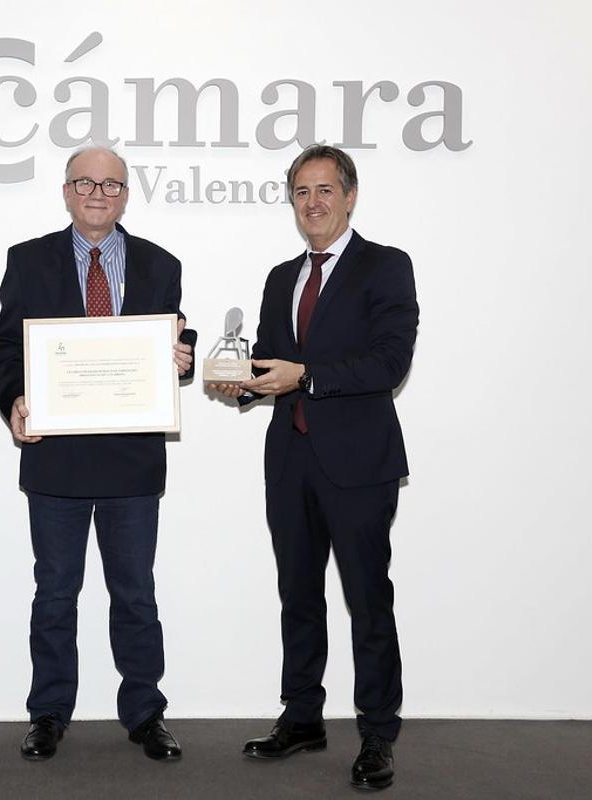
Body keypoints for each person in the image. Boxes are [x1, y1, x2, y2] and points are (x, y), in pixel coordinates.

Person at [210, 145, 418, 791]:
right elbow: (272, 362)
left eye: (325, 190)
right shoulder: (282, 278)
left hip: (359, 464)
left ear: (350, 196)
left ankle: (377, 734)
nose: (313, 203)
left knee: (367, 600)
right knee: (298, 596)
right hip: (291, 462)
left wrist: (307, 376)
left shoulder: (386, 266)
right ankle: (302, 717)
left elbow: (390, 363)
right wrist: (239, 384)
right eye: (301, 192)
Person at [0, 146, 196, 762]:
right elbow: (4, 348)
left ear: (126, 195)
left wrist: (182, 358)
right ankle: (48, 714)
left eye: (110, 185)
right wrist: (15, 398)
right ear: (66, 191)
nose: (97, 194)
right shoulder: (27, 260)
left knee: (135, 595)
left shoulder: (161, 263)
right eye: (85, 183)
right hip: (55, 461)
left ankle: (146, 713)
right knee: (55, 595)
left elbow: (173, 343)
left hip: (132, 462)